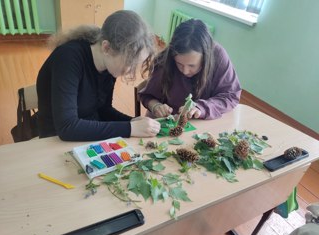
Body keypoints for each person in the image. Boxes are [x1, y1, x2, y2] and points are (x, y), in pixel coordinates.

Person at [37, 10, 161, 141]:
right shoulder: (68, 57)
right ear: (106, 47)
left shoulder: (109, 65)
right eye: (129, 63)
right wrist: (130, 128)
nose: (130, 71)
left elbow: (103, 109)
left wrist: (133, 122)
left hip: (88, 132)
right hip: (55, 138)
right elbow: (67, 128)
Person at [139, 19, 241, 120]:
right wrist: (156, 106)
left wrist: (201, 108)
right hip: (168, 121)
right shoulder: (165, 60)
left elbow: (230, 96)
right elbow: (147, 96)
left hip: (202, 122)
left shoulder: (218, 56)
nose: (185, 71)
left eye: (192, 66)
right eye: (179, 64)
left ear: (206, 58)